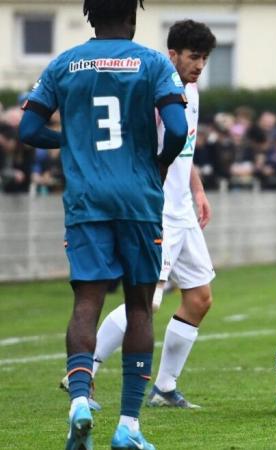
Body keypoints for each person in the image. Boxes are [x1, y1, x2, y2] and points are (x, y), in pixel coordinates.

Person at [18, 1, 188, 449]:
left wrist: (70, 140)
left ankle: (79, 399)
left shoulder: (62, 65)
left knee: (87, 301)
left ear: (90, 17)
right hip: (138, 198)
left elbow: (28, 130)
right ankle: (128, 426)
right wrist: (159, 165)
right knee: (138, 305)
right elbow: (176, 128)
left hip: (87, 200)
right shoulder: (152, 62)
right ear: (133, 17)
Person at [84, 19, 217, 411]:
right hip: (156, 210)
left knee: (199, 298)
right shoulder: (153, 89)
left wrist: (197, 189)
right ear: (171, 54)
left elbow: (184, 146)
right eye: (194, 57)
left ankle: (164, 388)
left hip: (182, 211)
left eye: (206, 58)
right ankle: (84, 373)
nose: (200, 65)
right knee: (149, 300)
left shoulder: (191, 90)